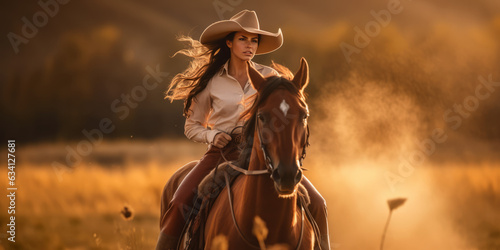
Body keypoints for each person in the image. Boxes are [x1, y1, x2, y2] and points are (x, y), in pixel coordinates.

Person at [158, 10, 330, 249]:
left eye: (254, 40)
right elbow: (192, 126)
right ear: (229, 42)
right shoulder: (212, 82)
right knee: (179, 203)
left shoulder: (271, 77)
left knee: (318, 203)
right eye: (243, 39)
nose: (249, 45)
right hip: (220, 154)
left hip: (265, 152)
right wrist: (212, 135)